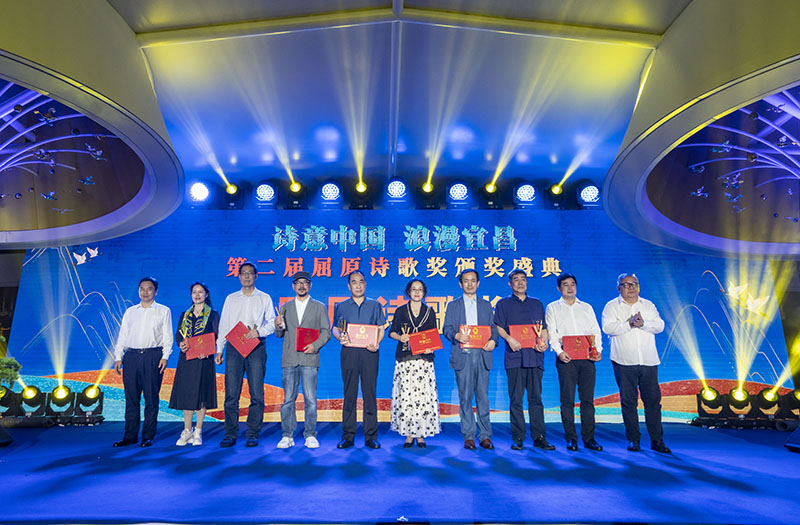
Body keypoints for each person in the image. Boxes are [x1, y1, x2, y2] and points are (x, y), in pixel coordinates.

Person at [601, 273, 671, 454]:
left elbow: (660, 326)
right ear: (619, 288)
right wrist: (629, 324)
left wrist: (643, 324)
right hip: (623, 361)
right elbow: (608, 328)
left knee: (653, 403)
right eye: (626, 284)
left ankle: (657, 440)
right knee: (629, 403)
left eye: (634, 284)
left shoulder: (647, 305)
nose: (631, 287)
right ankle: (634, 439)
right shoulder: (611, 306)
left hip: (648, 360)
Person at [216, 261, 276, 448]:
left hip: (256, 346)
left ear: (256, 276)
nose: (247, 276)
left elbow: (272, 322)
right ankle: (230, 433)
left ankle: (252, 433)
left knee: (256, 393)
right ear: (239, 276)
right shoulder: (231, 298)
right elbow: (224, 325)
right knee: (231, 394)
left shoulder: (264, 297)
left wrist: (259, 332)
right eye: (243, 273)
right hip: (234, 347)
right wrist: (219, 349)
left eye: (250, 273)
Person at [494, 269, 553, 451]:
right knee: (516, 400)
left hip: (535, 357)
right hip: (515, 358)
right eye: (516, 280)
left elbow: (543, 328)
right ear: (510, 284)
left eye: (523, 279)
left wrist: (544, 342)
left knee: (536, 399)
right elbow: (498, 326)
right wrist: (509, 339)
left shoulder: (537, 304)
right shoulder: (503, 304)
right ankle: (518, 437)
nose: (520, 283)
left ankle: (539, 437)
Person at [545, 272, 603, 452]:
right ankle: (571, 438)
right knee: (567, 400)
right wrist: (559, 352)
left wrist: (597, 350)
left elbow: (595, 331)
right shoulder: (553, 308)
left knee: (587, 400)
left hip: (587, 358)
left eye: (572, 284)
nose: (569, 288)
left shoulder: (586, 307)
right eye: (565, 284)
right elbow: (552, 333)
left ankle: (589, 438)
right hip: (566, 358)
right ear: (558, 288)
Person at [112, 277, 173, 447]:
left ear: (156, 291)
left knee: (151, 398)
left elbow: (168, 336)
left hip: (153, 356)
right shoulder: (130, 311)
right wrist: (118, 357)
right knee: (131, 398)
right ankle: (130, 436)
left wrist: (165, 356)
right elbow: (123, 335)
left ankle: (148, 436)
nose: (145, 292)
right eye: (142, 288)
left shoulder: (163, 311)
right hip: (131, 357)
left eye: (149, 288)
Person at [274, 271, 331, 449]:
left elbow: (326, 332)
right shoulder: (285, 307)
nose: (301, 286)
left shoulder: (319, 307)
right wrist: (278, 326)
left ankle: (310, 434)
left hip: (309, 358)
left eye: (305, 283)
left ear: (310, 285)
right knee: (288, 400)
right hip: (290, 359)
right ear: (293, 286)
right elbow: (279, 334)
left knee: (311, 400)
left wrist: (315, 345)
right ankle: (287, 435)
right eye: (298, 283)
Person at [442, 269, 498, 450]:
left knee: (483, 397)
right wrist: (456, 335)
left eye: (473, 280)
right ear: (461, 284)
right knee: (465, 397)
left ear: (478, 283)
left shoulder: (486, 305)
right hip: (463, 355)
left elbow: (493, 329)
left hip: (482, 354)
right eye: (466, 280)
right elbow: (446, 329)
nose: (470, 284)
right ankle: (469, 435)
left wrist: (493, 341)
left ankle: (485, 435)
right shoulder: (453, 305)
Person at [332, 270, 386, 449]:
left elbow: (380, 328)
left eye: (361, 281)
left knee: (369, 394)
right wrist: (340, 338)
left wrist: (376, 343)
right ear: (349, 286)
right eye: (354, 282)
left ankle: (371, 436)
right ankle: (348, 435)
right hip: (349, 353)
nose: (358, 285)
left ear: (365, 284)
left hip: (370, 353)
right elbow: (335, 328)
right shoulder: (341, 306)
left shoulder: (375, 305)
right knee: (349, 394)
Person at [388, 279, 440, 447]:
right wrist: (400, 337)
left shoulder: (429, 311)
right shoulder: (401, 311)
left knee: (423, 398)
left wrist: (430, 347)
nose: (417, 292)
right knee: (407, 398)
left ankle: (421, 434)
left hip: (423, 361)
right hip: (406, 360)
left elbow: (433, 335)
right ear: (408, 292)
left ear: (424, 293)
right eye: (413, 289)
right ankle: (409, 434)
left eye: (420, 289)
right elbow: (392, 332)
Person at [169, 282, 220, 446]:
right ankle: (187, 430)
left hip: (203, 360)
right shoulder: (185, 314)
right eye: (194, 292)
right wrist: (180, 344)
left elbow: (216, 336)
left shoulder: (212, 314)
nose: (197, 295)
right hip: (187, 359)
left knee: (201, 395)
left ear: (206, 294)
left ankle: (198, 430)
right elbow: (178, 334)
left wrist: (210, 351)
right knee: (187, 394)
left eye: (200, 292)